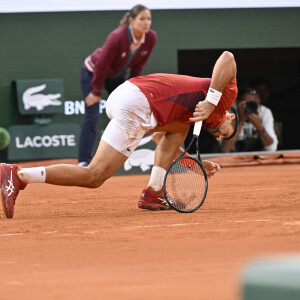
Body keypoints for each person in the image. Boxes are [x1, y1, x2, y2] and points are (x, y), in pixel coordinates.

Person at [0, 51, 238, 218]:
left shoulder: (189, 118)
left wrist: (190, 164)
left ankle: (153, 192)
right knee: (94, 176)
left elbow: (161, 141)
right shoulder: (223, 99)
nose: (219, 137)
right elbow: (227, 58)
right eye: (225, 134)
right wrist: (211, 101)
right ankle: (19, 175)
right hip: (139, 104)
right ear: (230, 117)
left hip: (128, 96)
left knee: (177, 130)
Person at [78, 4, 157, 167]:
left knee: (132, 110)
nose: (146, 22)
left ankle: (119, 158)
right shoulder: (117, 37)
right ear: (131, 20)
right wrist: (96, 91)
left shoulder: (150, 38)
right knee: (92, 115)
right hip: (93, 73)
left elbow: (137, 68)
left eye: (148, 19)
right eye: (142, 19)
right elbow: (101, 66)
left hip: (117, 77)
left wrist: (136, 93)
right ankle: (84, 161)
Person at [221, 88, 278, 153]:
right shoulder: (229, 112)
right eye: (246, 104)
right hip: (233, 158)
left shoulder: (264, 112)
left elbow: (272, 148)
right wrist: (240, 121)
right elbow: (225, 149)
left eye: (254, 104)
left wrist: (259, 127)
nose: (250, 107)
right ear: (238, 102)